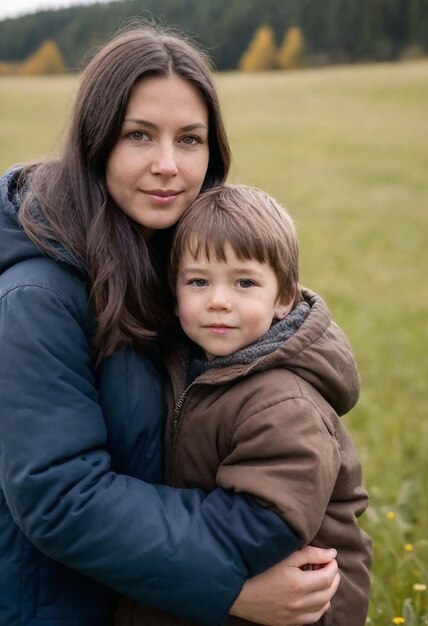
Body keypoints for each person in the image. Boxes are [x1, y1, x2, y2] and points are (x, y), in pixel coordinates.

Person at [0, 24, 340, 626]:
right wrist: (228, 588)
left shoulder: (182, 265)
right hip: (58, 605)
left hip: (142, 596)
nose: (167, 166)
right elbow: (61, 497)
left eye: (190, 139)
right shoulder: (37, 296)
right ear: (95, 143)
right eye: (138, 136)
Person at [116, 184, 372, 626]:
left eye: (244, 283)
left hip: (296, 604)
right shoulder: (188, 367)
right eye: (198, 281)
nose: (218, 300)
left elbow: (263, 522)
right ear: (174, 297)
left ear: (284, 298)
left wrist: (135, 534)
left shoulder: (282, 403)